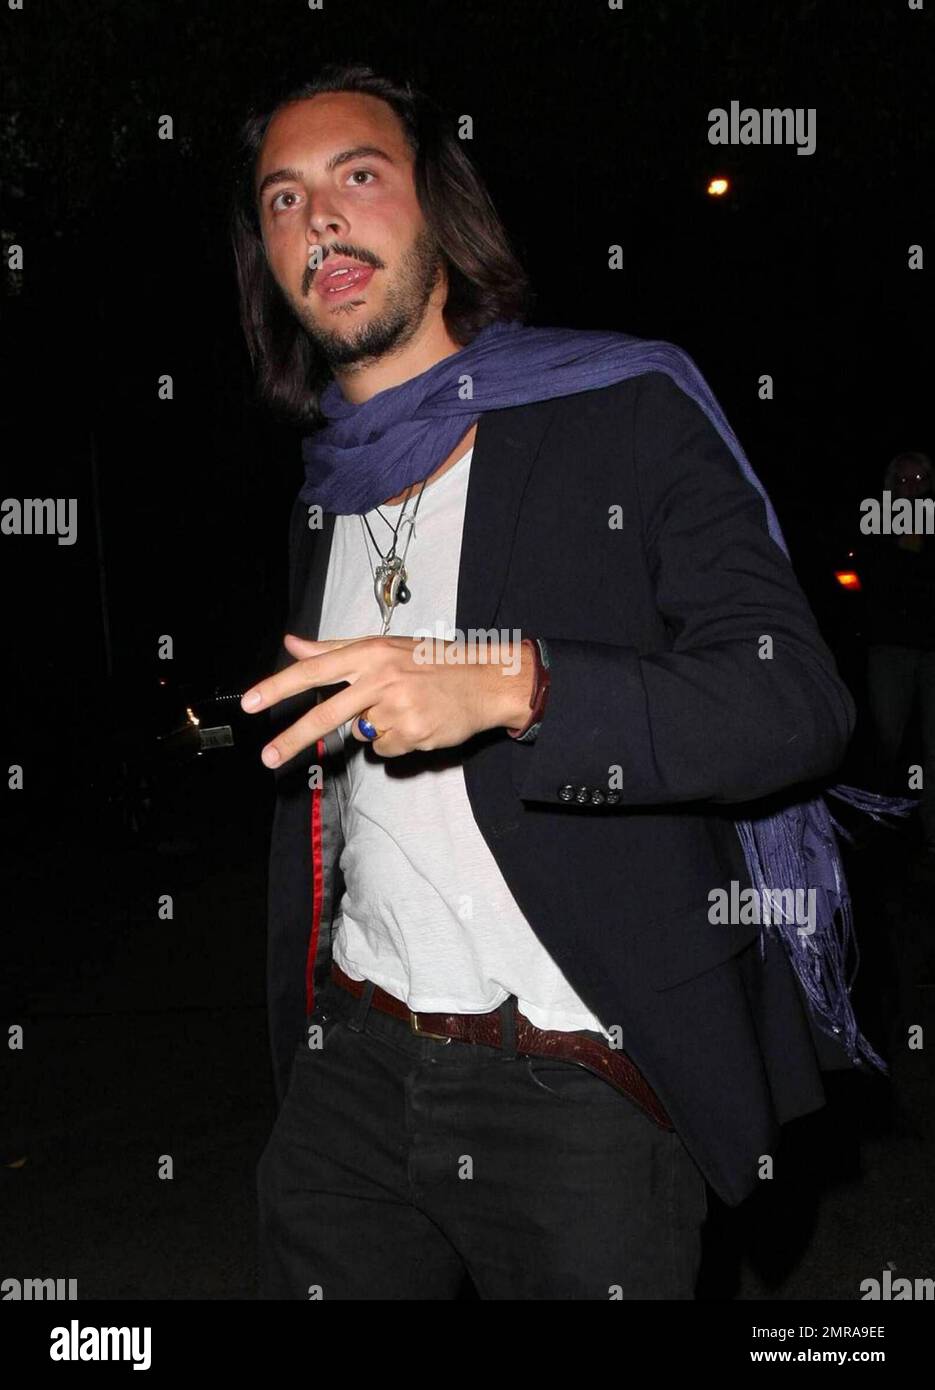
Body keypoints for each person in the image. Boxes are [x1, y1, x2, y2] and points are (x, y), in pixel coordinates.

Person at [229, 63, 860, 1300]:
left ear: (441, 210)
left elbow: (797, 702)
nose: (321, 221)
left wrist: (522, 686)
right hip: (353, 1066)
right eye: (283, 201)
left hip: (575, 1081)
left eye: (359, 177)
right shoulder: (327, 488)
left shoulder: (619, 408)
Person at [858, 452, 935, 866]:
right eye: (904, 479)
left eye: (920, 479)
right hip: (889, 649)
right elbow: (867, 578)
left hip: (931, 650)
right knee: (885, 739)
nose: (912, 486)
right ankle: (877, 824)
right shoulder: (877, 522)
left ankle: (931, 833)